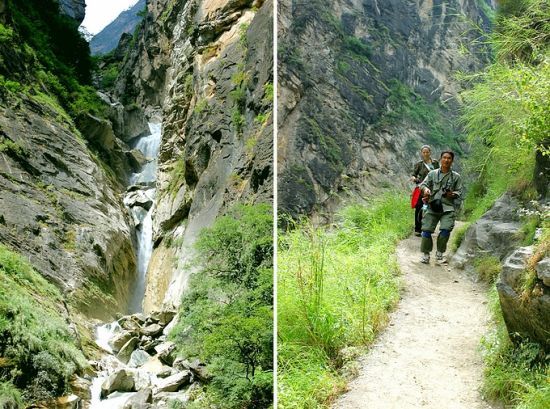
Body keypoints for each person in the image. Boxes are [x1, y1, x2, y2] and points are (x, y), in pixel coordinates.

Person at [419, 150, 462, 264]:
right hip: (432, 205)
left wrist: (451, 194)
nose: (446, 160)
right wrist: (426, 190)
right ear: (440, 159)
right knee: (426, 231)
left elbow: (459, 192)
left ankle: (440, 252)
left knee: (445, 230)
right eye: (444, 158)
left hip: (448, 208)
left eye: (449, 158)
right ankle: (426, 253)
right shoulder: (432, 173)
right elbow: (422, 185)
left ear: (452, 161)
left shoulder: (456, 177)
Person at [410, 145, 439, 236]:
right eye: (424, 152)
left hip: (433, 189)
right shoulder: (419, 164)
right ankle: (418, 229)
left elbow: (438, 173)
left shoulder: (435, 163)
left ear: (430, 152)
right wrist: (414, 178)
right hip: (421, 188)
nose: (425, 154)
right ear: (421, 153)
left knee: (431, 209)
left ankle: (429, 228)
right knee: (419, 207)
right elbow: (413, 174)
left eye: (427, 152)